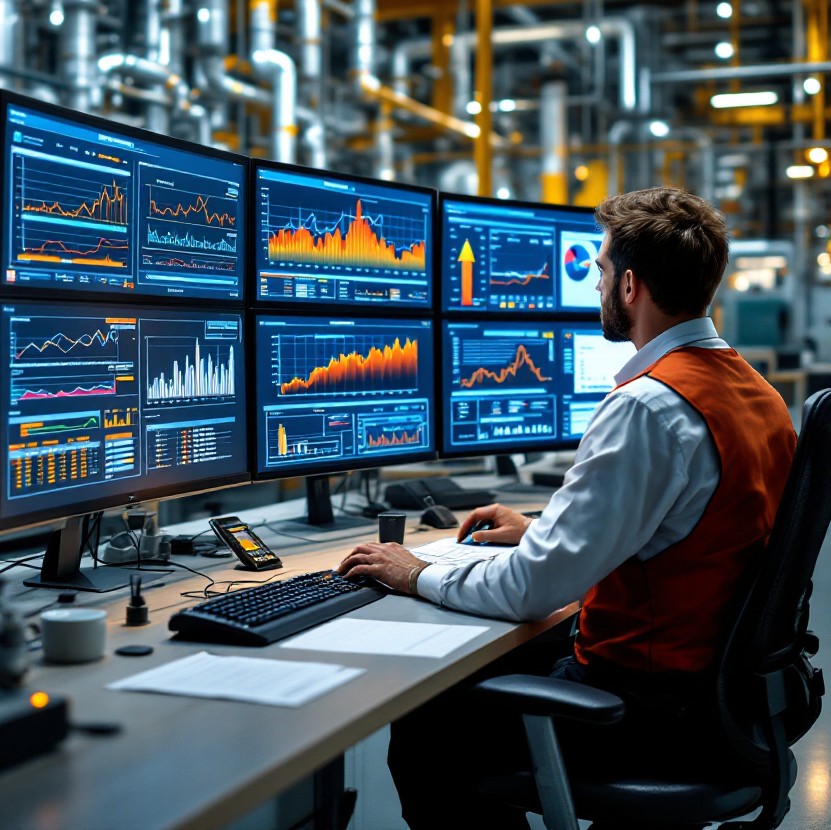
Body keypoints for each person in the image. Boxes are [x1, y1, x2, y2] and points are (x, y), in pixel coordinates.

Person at [338, 187, 797, 830]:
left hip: (647, 708)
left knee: (427, 722)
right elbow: (696, 529)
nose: (598, 285)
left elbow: (532, 590)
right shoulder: (757, 394)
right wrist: (544, 529)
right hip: (720, 696)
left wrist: (413, 571)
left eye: (602, 271)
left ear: (631, 286)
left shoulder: (647, 407)